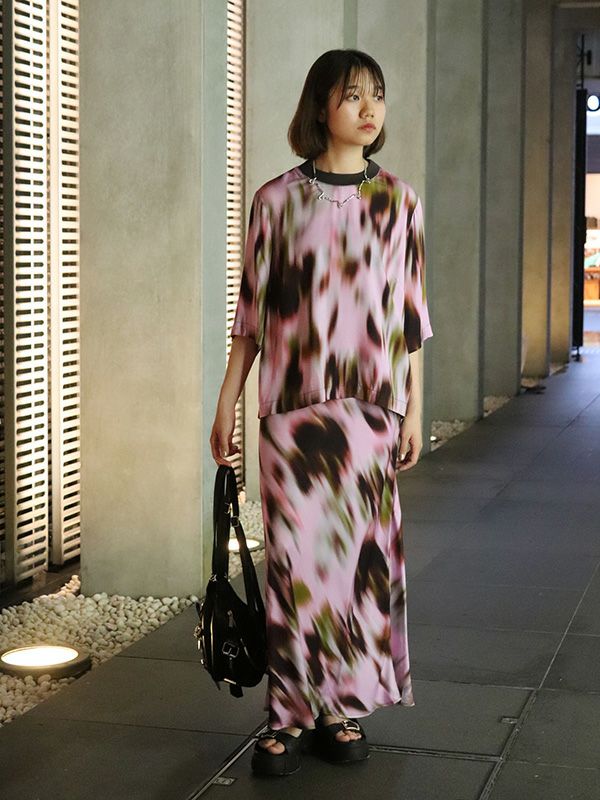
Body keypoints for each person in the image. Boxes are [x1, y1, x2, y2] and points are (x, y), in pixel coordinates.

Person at [210, 48, 433, 777]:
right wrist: (227, 401)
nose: (369, 109)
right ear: (320, 106)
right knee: (295, 566)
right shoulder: (275, 200)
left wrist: (412, 410)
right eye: (352, 95)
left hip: (368, 417)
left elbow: (410, 320)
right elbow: (251, 315)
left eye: (377, 95)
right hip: (293, 418)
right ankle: (286, 710)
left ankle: (339, 706)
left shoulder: (399, 201)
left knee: (356, 566)